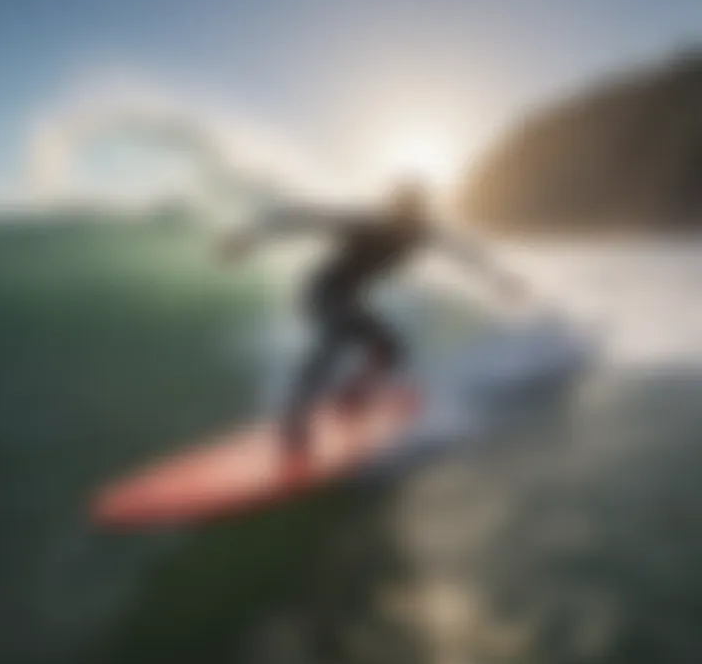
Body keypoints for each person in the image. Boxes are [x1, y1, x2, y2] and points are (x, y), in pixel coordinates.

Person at [219, 180, 527, 459]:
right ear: (393, 210)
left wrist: (500, 279)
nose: (404, 222)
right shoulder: (369, 225)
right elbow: (304, 219)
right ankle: (294, 421)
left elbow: (464, 252)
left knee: (390, 350)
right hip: (323, 292)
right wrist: (249, 237)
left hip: (348, 298)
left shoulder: (422, 232)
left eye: (411, 215)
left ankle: (351, 396)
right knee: (336, 339)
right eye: (400, 214)